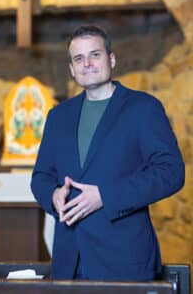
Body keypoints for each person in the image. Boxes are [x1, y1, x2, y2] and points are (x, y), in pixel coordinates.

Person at [31, 25, 185, 281]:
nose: (87, 63)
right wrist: (54, 195)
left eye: (95, 55)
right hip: (69, 262)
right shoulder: (58, 116)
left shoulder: (143, 108)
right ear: (71, 69)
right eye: (78, 58)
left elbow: (171, 173)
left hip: (123, 260)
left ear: (111, 59)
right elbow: (41, 177)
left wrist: (106, 196)